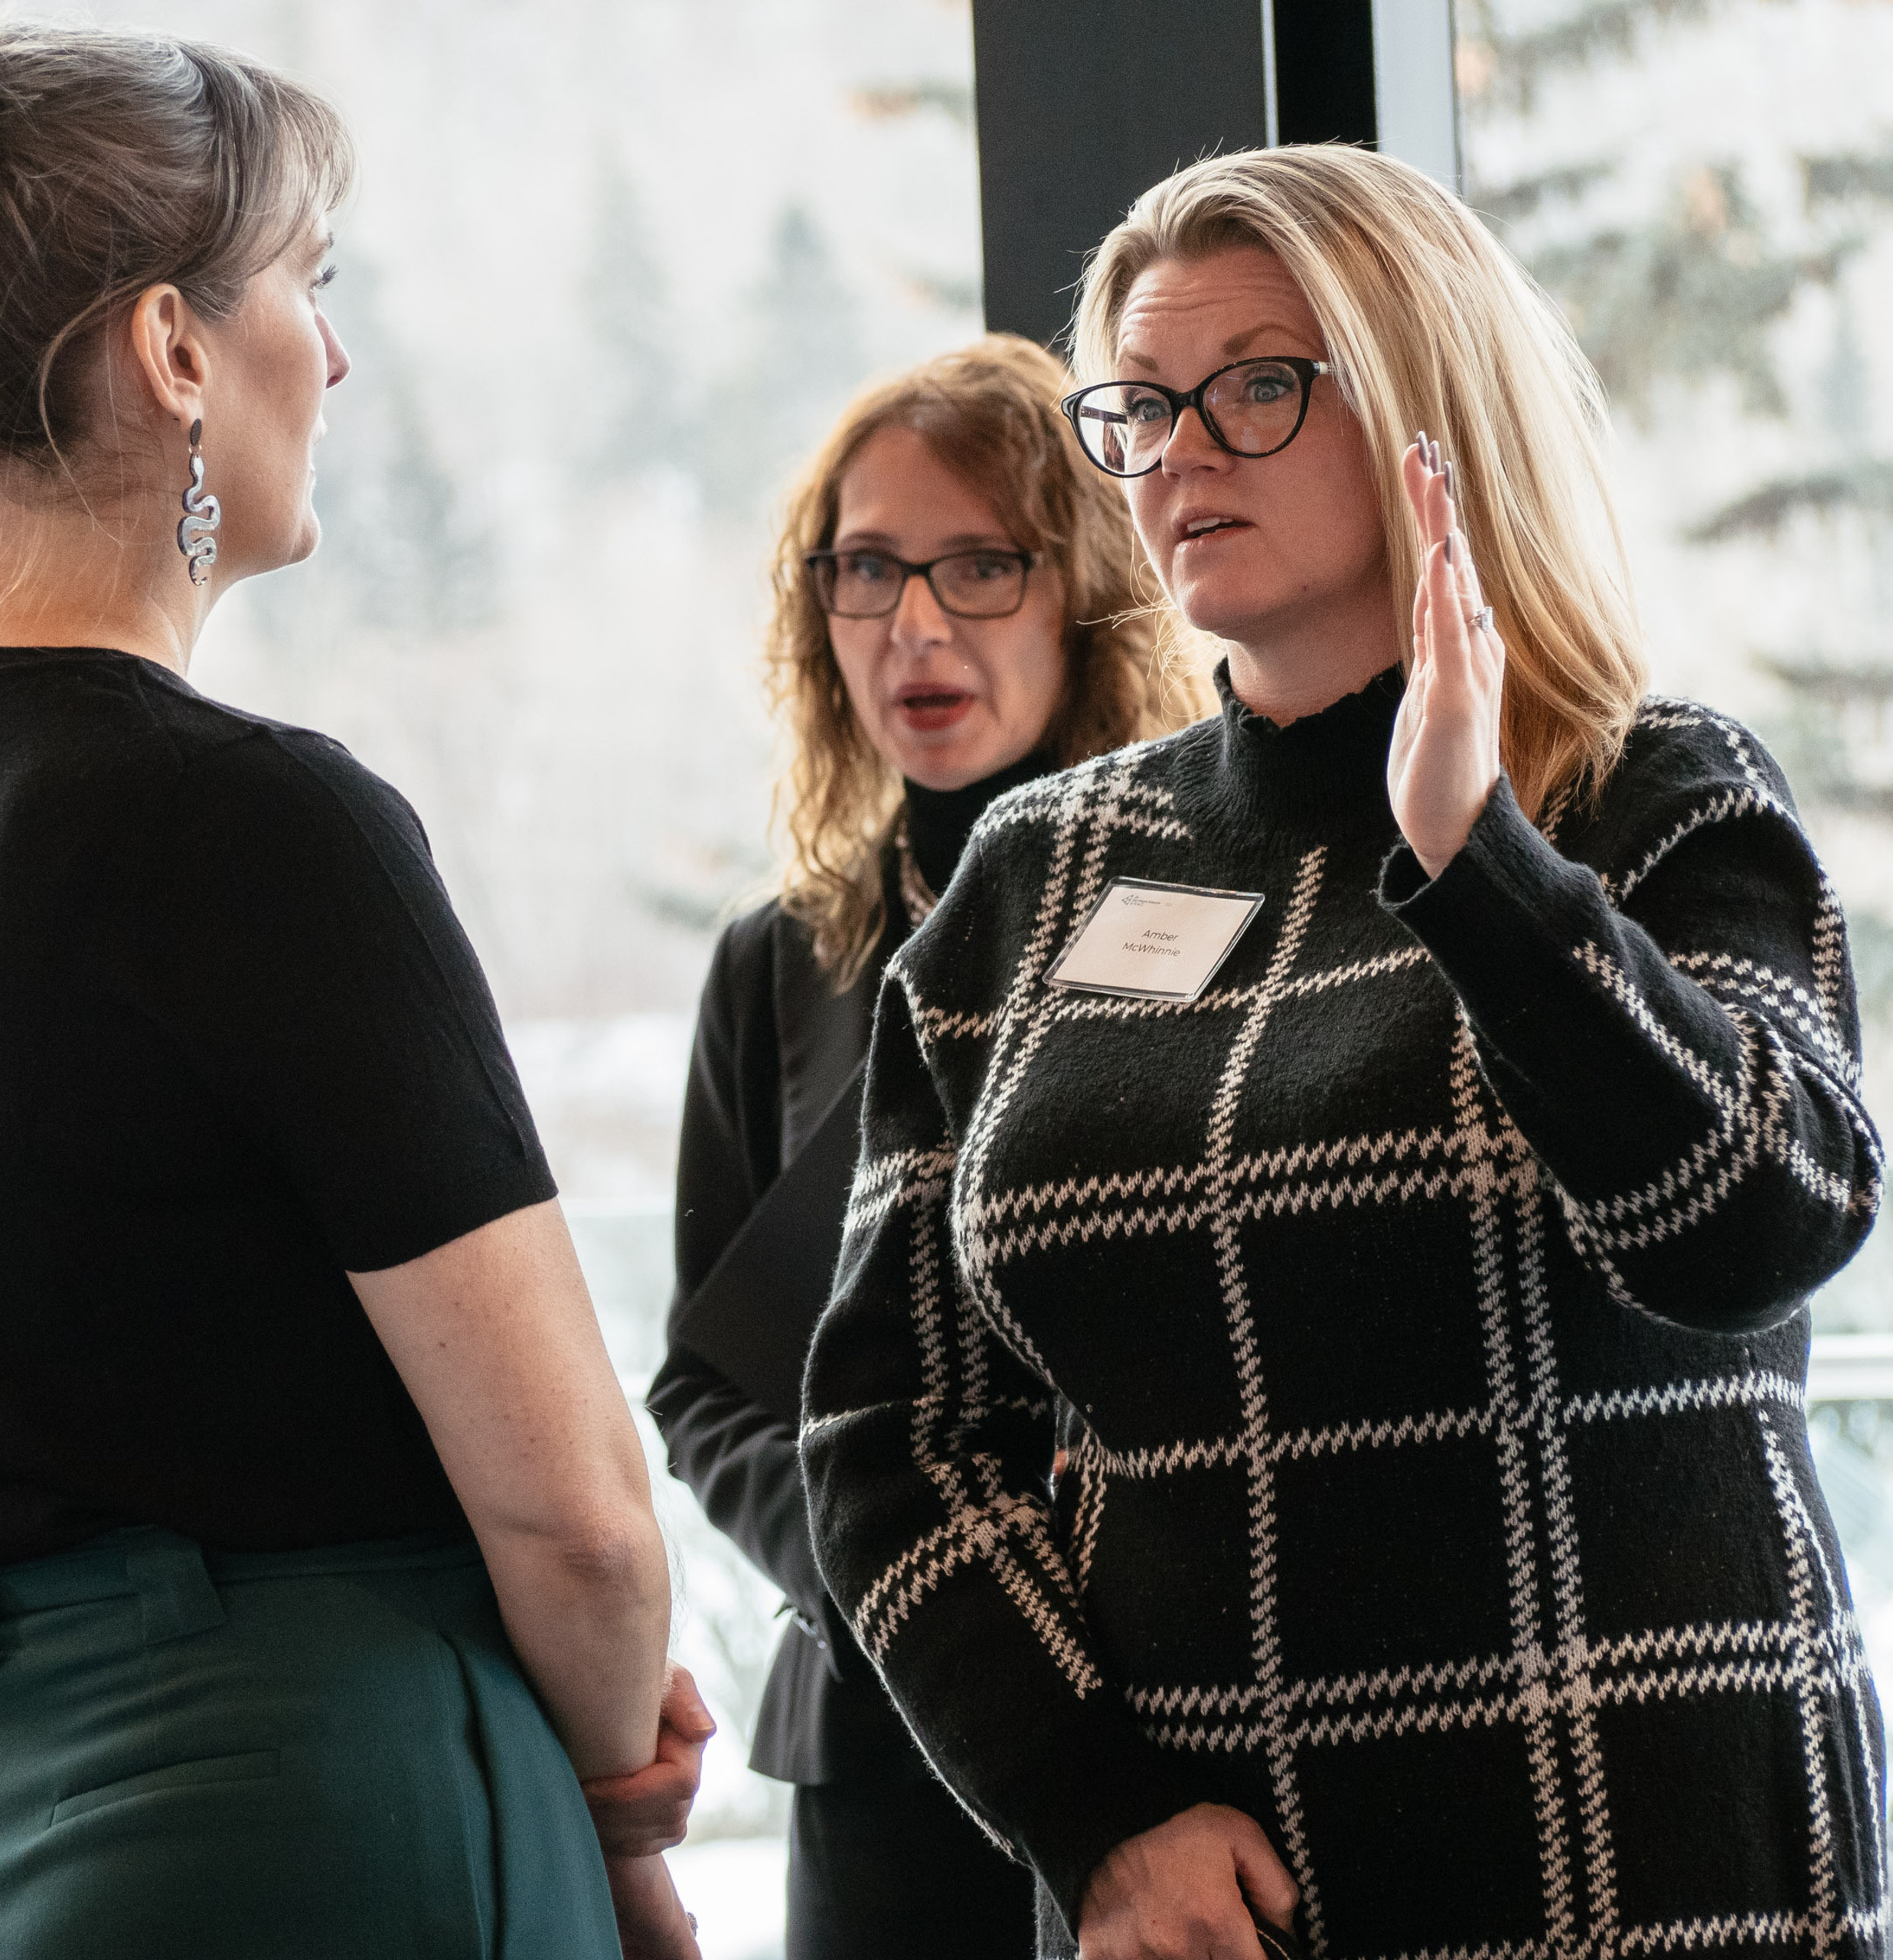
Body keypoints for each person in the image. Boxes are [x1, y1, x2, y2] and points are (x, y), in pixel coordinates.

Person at [801, 145, 1891, 1960]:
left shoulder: (1648, 797)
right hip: (1223, 1904)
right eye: (1140, 407)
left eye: (1254, 387)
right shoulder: (1036, 871)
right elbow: (889, 1432)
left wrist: (1483, 867)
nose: (1181, 454)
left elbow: (1756, 1225)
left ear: (1424, 412)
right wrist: (1099, 1816)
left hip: (1650, 1860)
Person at [0, 8, 707, 1956]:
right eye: (310, 281)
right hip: (297, 1801)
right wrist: (623, 1804)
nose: (338, 351)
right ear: (174, 348)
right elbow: (583, 1518)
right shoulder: (257, 825)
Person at [647, 335, 1209, 1960]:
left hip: (1164, 1706)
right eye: (867, 569)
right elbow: (703, 1382)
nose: (914, 625)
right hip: (875, 1731)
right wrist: (882, 1564)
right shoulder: (779, 960)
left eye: (976, 565)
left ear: (1085, 588)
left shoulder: (1193, 898)